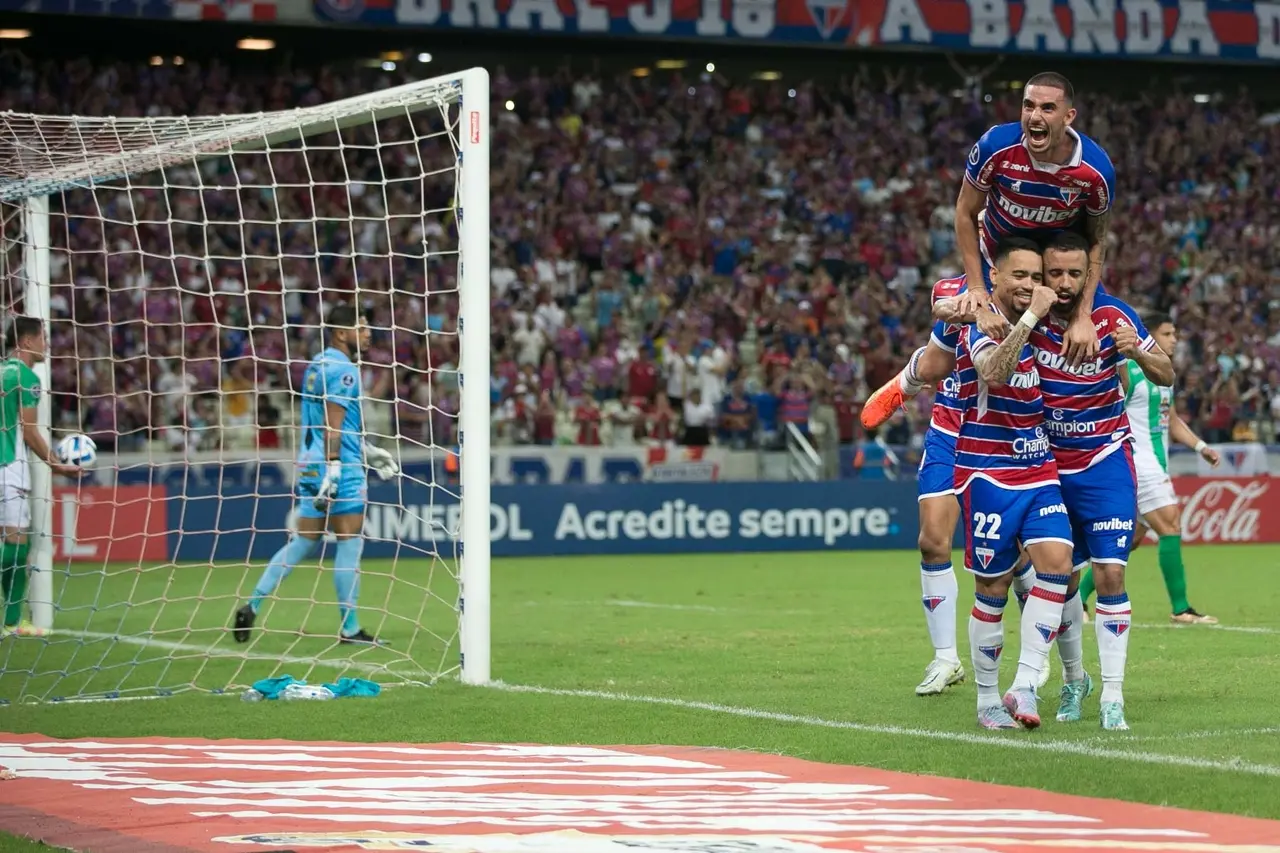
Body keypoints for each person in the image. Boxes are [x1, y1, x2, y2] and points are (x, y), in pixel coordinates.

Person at [861, 71, 1117, 431]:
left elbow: (1096, 240)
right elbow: (965, 212)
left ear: (1068, 116)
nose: (1035, 116)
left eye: (1047, 108)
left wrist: (1083, 314)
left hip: (1054, 269)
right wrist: (978, 288)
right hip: (998, 263)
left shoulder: (1095, 171)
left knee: (1091, 346)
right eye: (1028, 106)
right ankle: (908, 381)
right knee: (938, 365)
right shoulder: (996, 146)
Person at [1030, 231, 1174, 732]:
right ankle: (1075, 679)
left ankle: (1113, 694)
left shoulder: (1115, 316)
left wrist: (1138, 353)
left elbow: (1167, 373)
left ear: (1088, 274)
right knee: (1060, 579)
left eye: (1075, 273)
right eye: (1055, 273)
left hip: (1105, 461)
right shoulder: (1029, 318)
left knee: (1111, 574)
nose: (1065, 283)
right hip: (1049, 467)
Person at [952, 237, 1075, 730]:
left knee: (1058, 564)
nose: (1030, 285)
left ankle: (1024, 685)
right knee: (993, 588)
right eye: (1019, 275)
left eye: (1036, 277)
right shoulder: (979, 324)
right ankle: (987, 700)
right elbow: (995, 373)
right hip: (986, 473)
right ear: (995, 277)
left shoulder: (1045, 327)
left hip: (1038, 469)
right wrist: (1029, 318)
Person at [233, 305, 399, 646]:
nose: (368, 333)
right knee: (350, 543)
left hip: (309, 464)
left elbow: (324, 418)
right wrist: (336, 465)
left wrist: (367, 449)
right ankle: (350, 628)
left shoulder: (316, 364)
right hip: (338, 467)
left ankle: (253, 603)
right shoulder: (345, 370)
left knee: (304, 540)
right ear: (341, 333)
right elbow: (333, 424)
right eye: (361, 327)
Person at [1076, 313, 1220, 625]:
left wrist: (1200, 447)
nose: (1174, 339)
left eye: (1174, 333)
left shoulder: (1162, 376)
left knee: (1130, 540)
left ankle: (1077, 598)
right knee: (1170, 524)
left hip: (1155, 463)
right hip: (1139, 462)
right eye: (1167, 334)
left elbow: (1172, 420)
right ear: (1150, 337)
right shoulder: (1129, 370)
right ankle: (1181, 608)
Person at [0, 316, 85, 637]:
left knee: (13, 544)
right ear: (26, 341)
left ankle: (12, 621)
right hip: (8, 466)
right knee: (17, 543)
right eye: (42, 338)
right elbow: (30, 431)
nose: (46, 345)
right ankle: (12, 622)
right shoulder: (26, 377)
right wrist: (56, 465)